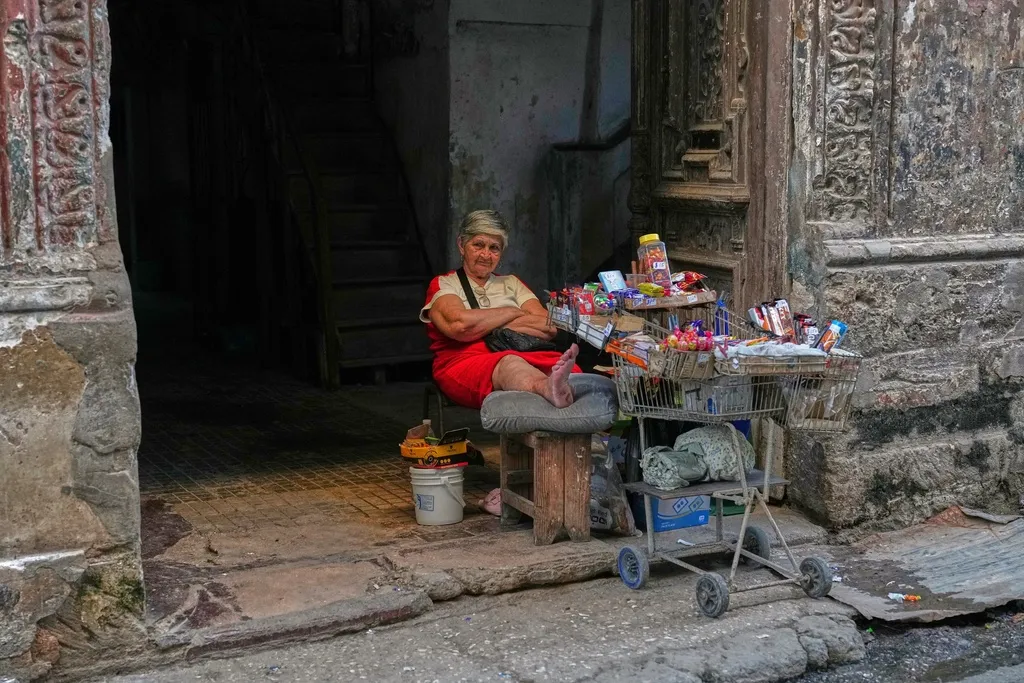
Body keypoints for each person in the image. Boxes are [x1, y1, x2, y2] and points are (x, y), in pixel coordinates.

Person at [421, 210, 580, 410]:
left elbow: (547, 327)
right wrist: (513, 311)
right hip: (465, 360)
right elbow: (460, 325)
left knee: (574, 372)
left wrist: (481, 323)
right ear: (461, 245)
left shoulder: (511, 283)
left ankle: (557, 395)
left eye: (494, 248)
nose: (486, 255)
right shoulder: (444, 284)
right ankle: (546, 388)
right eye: (478, 245)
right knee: (510, 364)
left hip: (524, 352)